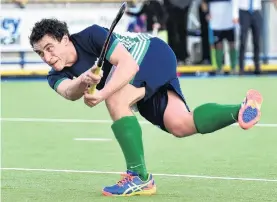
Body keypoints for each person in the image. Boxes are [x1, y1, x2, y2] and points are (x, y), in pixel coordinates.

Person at [29, 18, 263, 197]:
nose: (47, 57)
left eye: (50, 48)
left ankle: (138, 176)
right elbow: (69, 92)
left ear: (66, 39)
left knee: (115, 99)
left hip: (151, 53)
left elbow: (128, 65)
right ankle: (240, 109)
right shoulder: (55, 75)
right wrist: (83, 81)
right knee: (179, 124)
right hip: (136, 78)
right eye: (40, 53)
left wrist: (101, 93)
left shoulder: (91, 35)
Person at [202, 0, 238, 74]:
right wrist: (206, 14)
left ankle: (233, 67)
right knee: (218, 45)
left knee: (232, 44)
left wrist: (236, 15)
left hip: (229, 21)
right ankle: (219, 67)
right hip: (216, 22)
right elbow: (203, 2)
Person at [232, 0, 262, 75]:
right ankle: (241, 68)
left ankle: (257, 67)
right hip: (244, 11)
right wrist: (235, 15)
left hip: (256, 11)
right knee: (243, 41)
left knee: (257, 41)